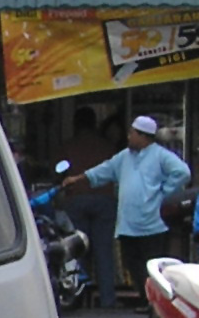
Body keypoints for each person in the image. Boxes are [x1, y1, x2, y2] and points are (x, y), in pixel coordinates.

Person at [62, 114, 190, 300]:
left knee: (151, 266)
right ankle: (146, 298)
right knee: (132, 263)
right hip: (129, 224)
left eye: (132, 133)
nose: (128, 137)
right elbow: (104, 170)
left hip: (152, 223)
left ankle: (153, 303)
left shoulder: (160, 155)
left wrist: (164, 193)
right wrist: (78, 178)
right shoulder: (124, 157)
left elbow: (182, 172)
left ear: (144, 136)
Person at [54, 106, 121, 306]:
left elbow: (57, 171)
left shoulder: (68, 145)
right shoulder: (107, 146)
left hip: (77, 199)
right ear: (94, 123)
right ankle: (108, 300)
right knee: (104, 252)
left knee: (77, 250)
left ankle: (77, 298)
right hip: (105, 200)